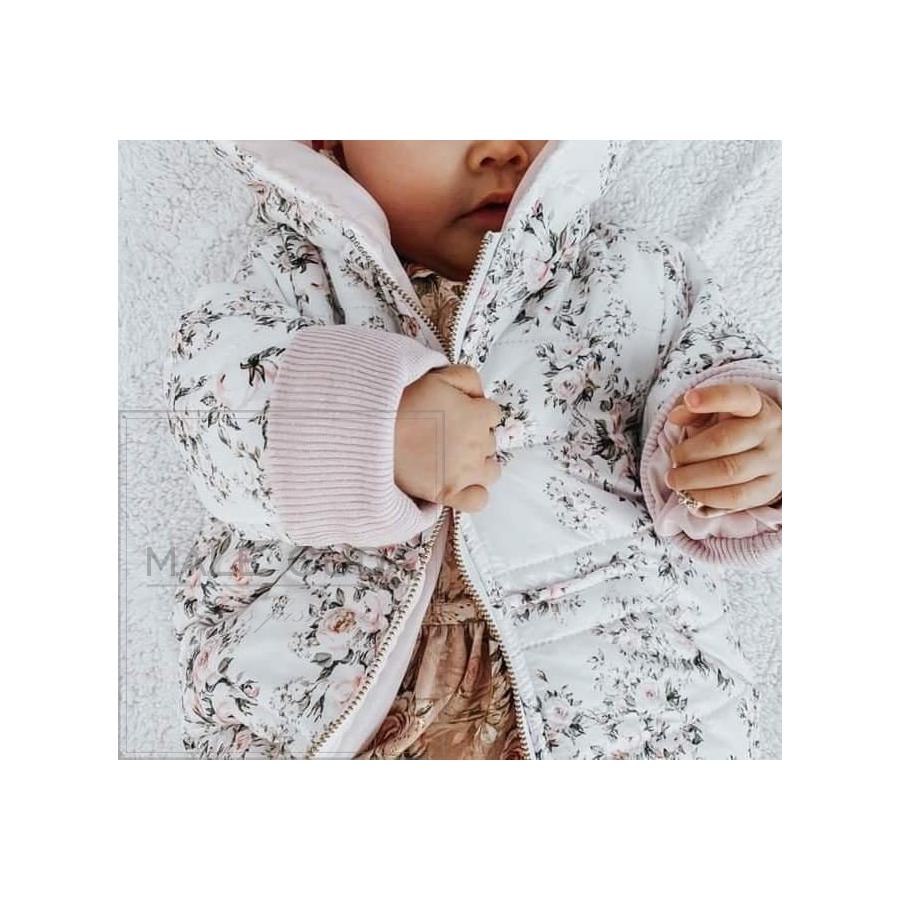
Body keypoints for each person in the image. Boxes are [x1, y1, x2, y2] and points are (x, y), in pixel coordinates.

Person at [164, 140, 782, 759]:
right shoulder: (287, 283)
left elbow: (721, 414)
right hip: (325, 712)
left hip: (630, 717)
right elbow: (214, 420)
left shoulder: (641, 278)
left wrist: (746, 458)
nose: (499, 149)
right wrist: (372, 429)